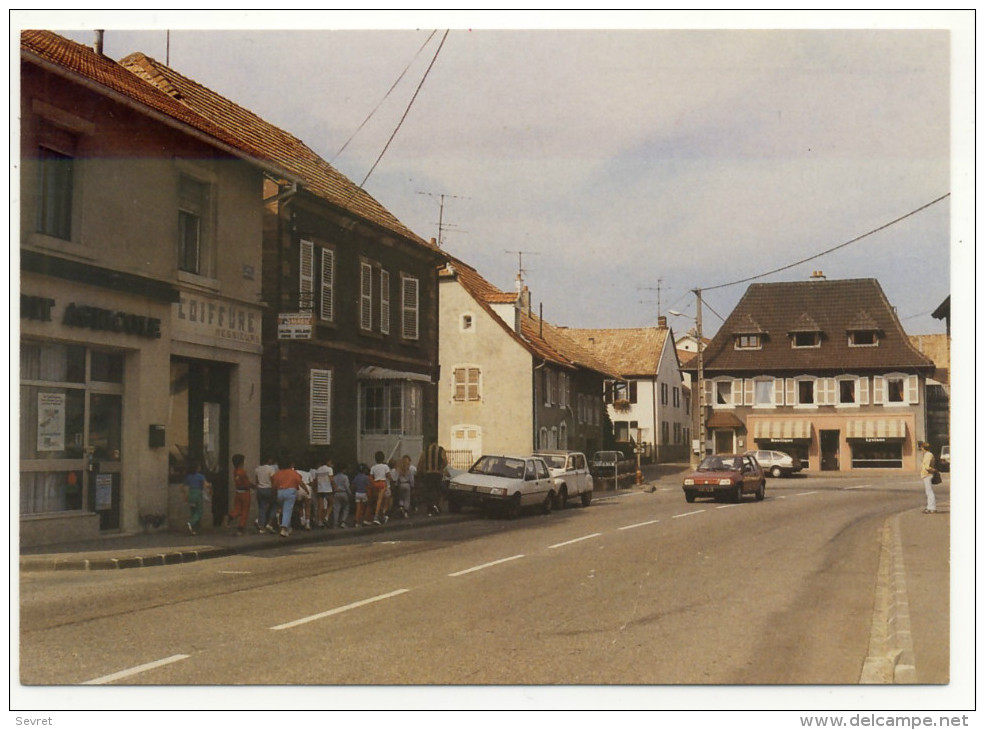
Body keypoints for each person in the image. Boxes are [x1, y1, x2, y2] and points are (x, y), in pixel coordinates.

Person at [271, 454, 305, 537]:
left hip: (280, 492)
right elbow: (299, 482)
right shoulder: (293, 473)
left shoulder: (277, 474)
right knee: (287, 510)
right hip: (290, 492)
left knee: (284, 510)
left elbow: (274, 485)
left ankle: (288, 528)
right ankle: (284, 528)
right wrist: (306, 490)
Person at [418, 441, 448, 517]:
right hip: (437, 474)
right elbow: (445, 461)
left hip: (428, 474)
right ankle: (436, 506)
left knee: (429, 491)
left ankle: (430, 508)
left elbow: (421, 462)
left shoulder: (426, 450)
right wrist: (441, 468)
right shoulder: (441, 450)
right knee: (437, 491)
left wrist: (420, 471)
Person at [225, 454, 253, 535]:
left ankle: (231, 515)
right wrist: (253, 486)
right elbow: (247, 483)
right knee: (245, 511)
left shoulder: (235, 471)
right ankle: (241, 527)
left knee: (237, 508)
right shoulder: (242, 472)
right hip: (245, 493)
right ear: (241, 462)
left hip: (238, 492)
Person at [182, 460, 211, 535]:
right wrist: (210, 486)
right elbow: (206, 485)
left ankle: (195, 529)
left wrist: (185, 495)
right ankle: (191, 523)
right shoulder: (200, 476)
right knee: (199, 512)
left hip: (190, 493)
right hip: (198, 494)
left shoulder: (188, 476)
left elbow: (183, 487)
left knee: (193, 511)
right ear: (197, 468)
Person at [254, 455, 278, 534]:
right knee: (274, 505)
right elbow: (273, 480)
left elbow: (256, 481)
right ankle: (269, 523)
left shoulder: (257, 469)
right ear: (269, 460)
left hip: (260, 489)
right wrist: (274, 490)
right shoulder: (271, 469)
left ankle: (261, 527)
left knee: (262, 507)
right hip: (269, 488)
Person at [367, 451, 390, 526]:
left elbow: (370, 477)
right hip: (382, 484)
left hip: (375, 484)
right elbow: (388, 476)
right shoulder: (385, 467)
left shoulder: (373, 467)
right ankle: (376, 517)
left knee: (378, 501)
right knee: (380, 501)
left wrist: (373, 483)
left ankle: (382, 517)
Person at [314, 456, 335, 527]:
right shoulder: (329, 469)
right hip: (328, 489)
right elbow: (331, 479)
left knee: (320, 506)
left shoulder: (318, 470)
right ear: (327, 462)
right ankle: (326, 517)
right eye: (330, 462)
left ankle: (320, 521)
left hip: (320, 489)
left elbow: (316, 481)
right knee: (331, 503)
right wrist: (335, 487)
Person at [919, 441, 938, 514]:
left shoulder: (928, 455)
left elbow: (927, 466)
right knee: (928, 492)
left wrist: (933, 470)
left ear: (924, 448)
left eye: (922, 448)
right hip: (927, 474)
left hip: (927, 474)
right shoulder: (928, 454)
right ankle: (930, 506)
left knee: (929, 492)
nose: (921, 449)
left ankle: (932, 507)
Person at [332, 462, 351, 528]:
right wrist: (350, 494)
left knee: (336, 509)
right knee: (346, 507)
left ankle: (335, 523)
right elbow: (347, 486)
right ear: (344, 469)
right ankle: (343, 522)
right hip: (344, 493)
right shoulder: (345, 477)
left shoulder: (334, 477)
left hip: (336, 493)